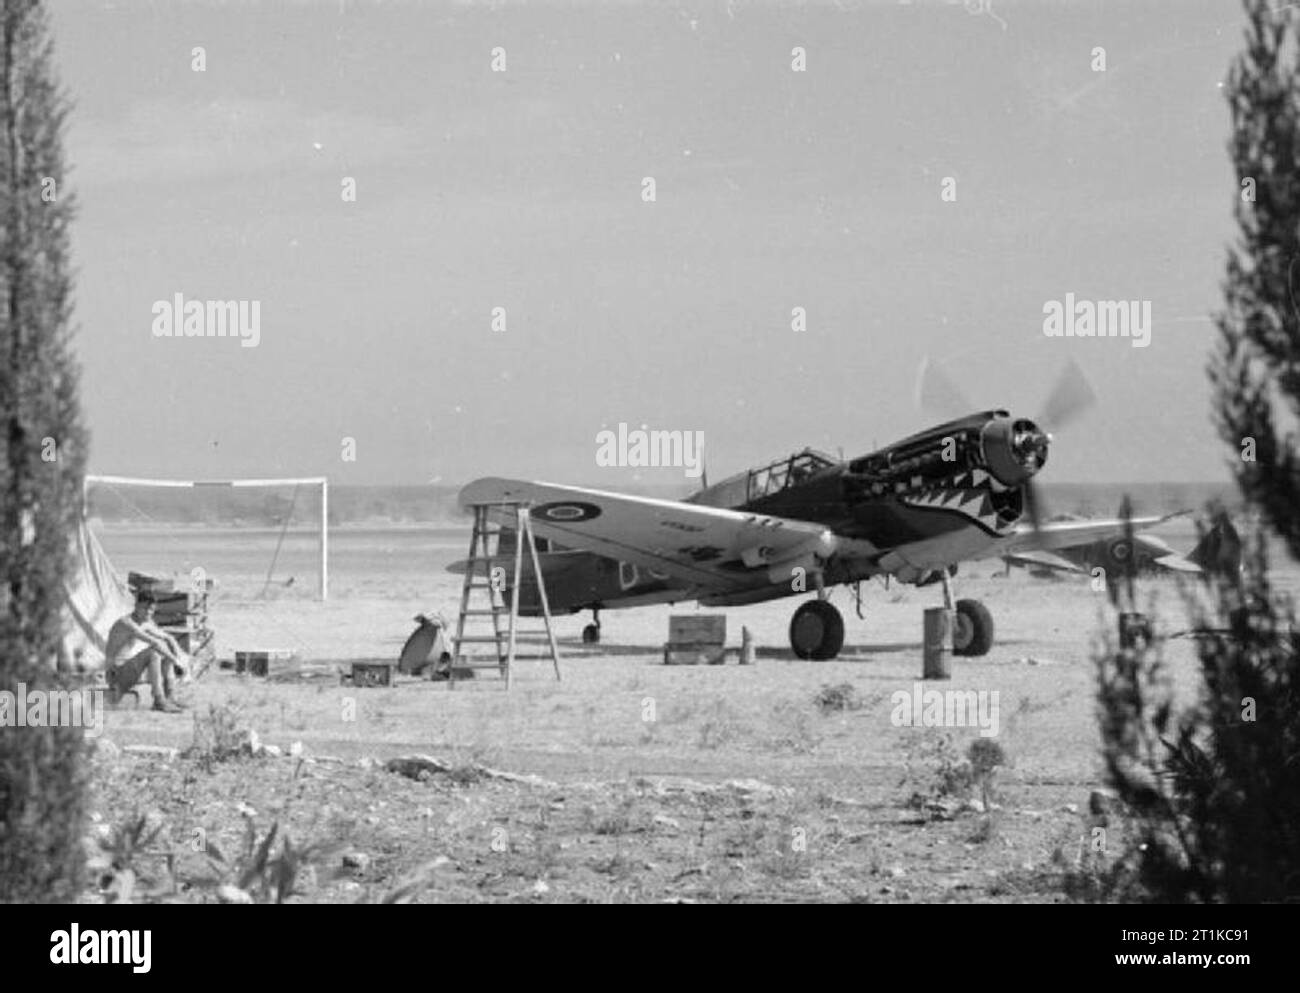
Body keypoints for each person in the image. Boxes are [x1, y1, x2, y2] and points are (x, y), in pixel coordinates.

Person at [104, 591, 190, 712]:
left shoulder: (145, 622)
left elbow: (168, 638)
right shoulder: (126, 623)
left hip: (130, 671)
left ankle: (170, 695)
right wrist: (176, 662)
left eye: (151, 610)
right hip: (116, 675)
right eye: (145, 608)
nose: (148, 613)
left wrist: (180, 658)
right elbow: (154, 643)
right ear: (136, 606)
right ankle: (159, 700)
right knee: (153, 653)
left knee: (165, 650)